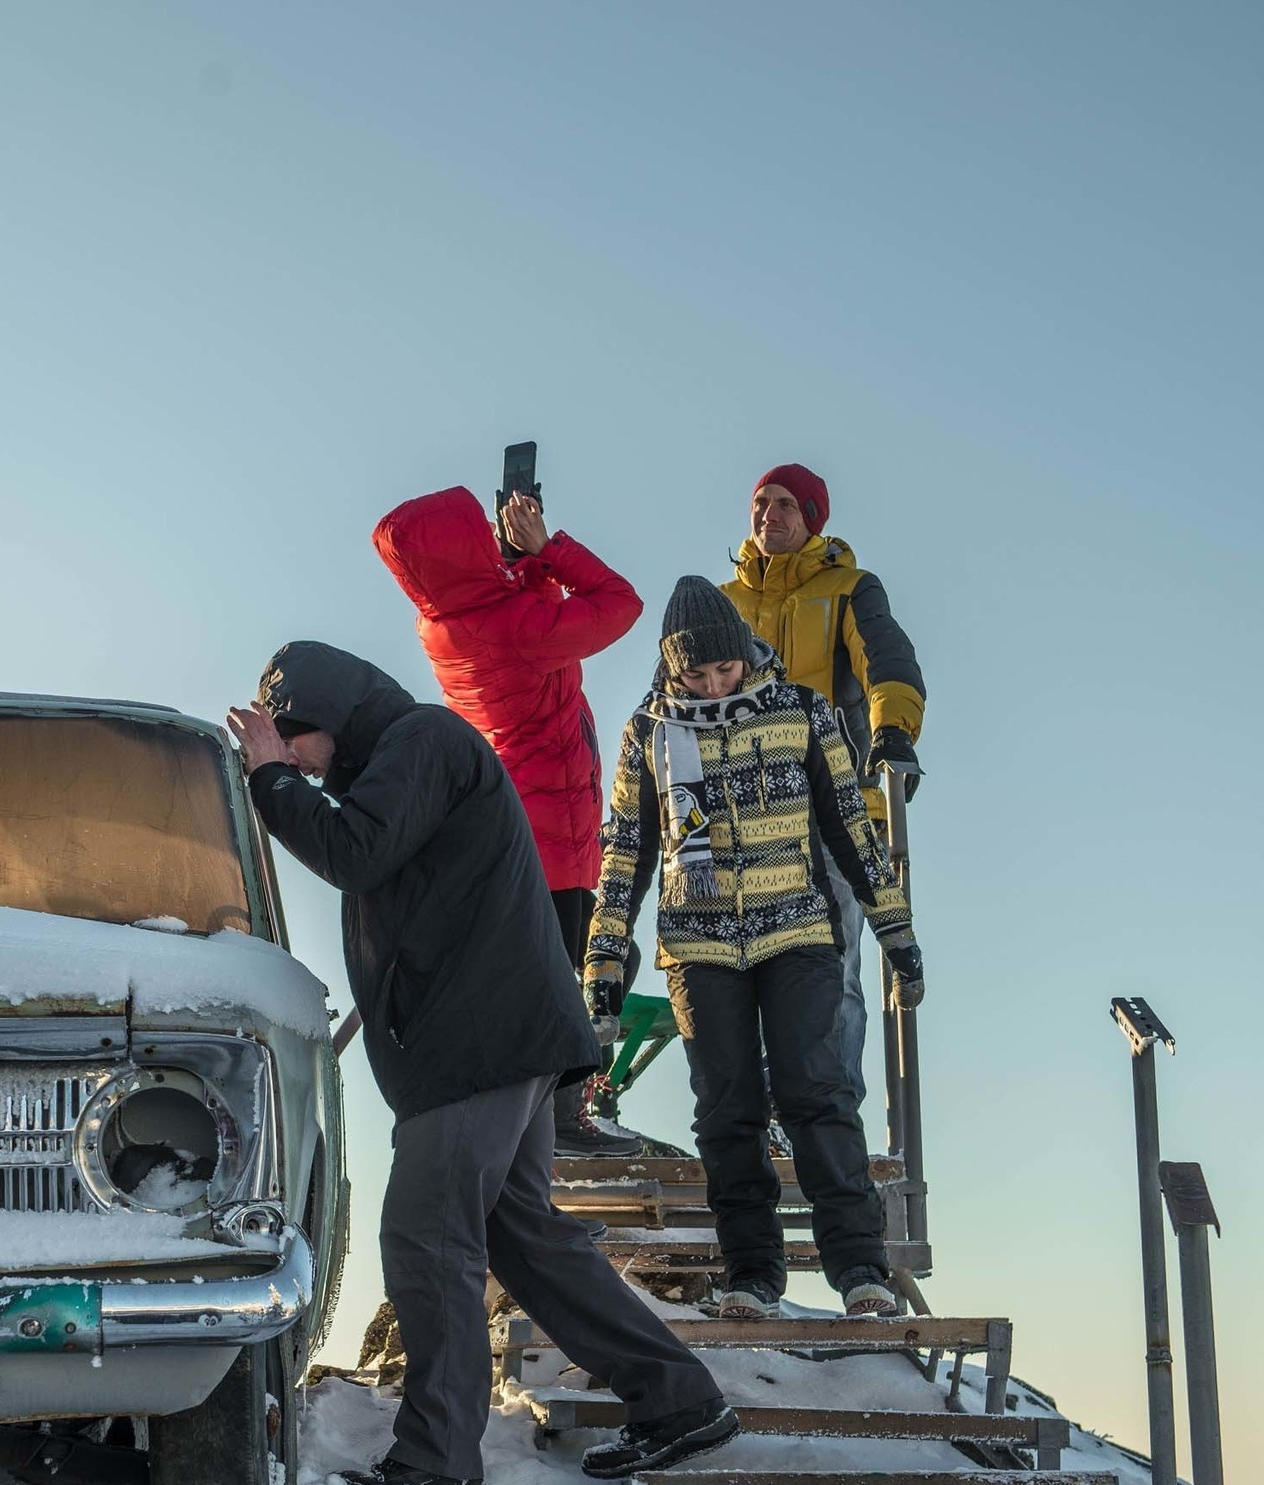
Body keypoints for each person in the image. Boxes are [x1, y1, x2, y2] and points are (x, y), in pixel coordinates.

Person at [228, 641, 733, 1485]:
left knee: (427, 1238)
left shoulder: (422, 742)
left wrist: (271, 782)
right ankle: (680, 1401)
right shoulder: (406, 759)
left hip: (477, 1043)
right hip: (498, 1039)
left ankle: (436, 1461)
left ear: (329, 718)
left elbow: (354, 853)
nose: (293, 760)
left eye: (294, 740)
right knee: (521, 1236)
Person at [584, 578, 926, 1321]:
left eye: (724, 671)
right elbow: (625, 853)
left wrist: (895, 930)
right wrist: (604, 961)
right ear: (674, 672)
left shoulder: (804, 714)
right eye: (696, 677)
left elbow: (849, 828)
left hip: (796, 930)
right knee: (726, 1109)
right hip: (697, 945)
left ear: (745, 655)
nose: (712, 686)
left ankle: (859, 1268)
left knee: (815, 1090)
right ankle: (751, 1275)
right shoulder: (651, 732)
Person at [372, 487, 645, 1155]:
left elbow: (513, 605)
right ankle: (559, 1120)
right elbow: (619, 605)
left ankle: (536, 1115)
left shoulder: (446, 617)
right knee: (580, 974)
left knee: (565, 971)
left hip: (521, 830)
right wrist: (549, 548)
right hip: (554, 833)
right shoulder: (513, 627)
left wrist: (524, 564)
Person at [720, 464, 925, 1105]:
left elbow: (887, 659)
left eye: (785, 505)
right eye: (761, 503)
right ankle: (767, 1119)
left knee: (830, 970)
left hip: (831, 808)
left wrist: (893, 732)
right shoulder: (724, 603)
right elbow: (678, 690)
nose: (769, 515)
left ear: (812, 519)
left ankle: (829, 1111)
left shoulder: (849, 589)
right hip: (745, 815)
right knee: (746, 968)